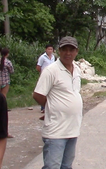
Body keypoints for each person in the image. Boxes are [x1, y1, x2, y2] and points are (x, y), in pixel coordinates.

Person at [33, 36, 83, 168]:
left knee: (66, 166)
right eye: (64, 49)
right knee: (52, 166)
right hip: (56, 130)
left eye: (71, 50)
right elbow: (38, 94)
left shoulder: (77, 69)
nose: (68, 53)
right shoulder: (51, 70)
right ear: (58, 51)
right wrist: (50, 107)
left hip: (73, 128)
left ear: (76, 51)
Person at [36, 44, 56, 116]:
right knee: (43, 91)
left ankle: (50, 107)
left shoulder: (53, 57)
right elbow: (38, 67)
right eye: (49, 49)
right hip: (44, 76)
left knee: (51, 92)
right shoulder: (42, 57)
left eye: (51, 49)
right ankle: (43, 107)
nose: (50, 51)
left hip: (52, 76)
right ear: (46, 49)